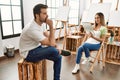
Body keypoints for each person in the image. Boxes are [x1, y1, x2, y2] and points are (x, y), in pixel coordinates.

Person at [19, 4, 71, 80]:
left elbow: (49, 37)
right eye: (44, 13)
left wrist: (56, 46)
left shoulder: (40, 24)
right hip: (28, 53)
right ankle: (57, 51)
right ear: (37, 15)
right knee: (52, 49)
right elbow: (51, 43)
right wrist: (51, 26)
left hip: (37, 48)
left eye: (47, 13)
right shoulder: (32, 28)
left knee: (58, 57)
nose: (47, 15)